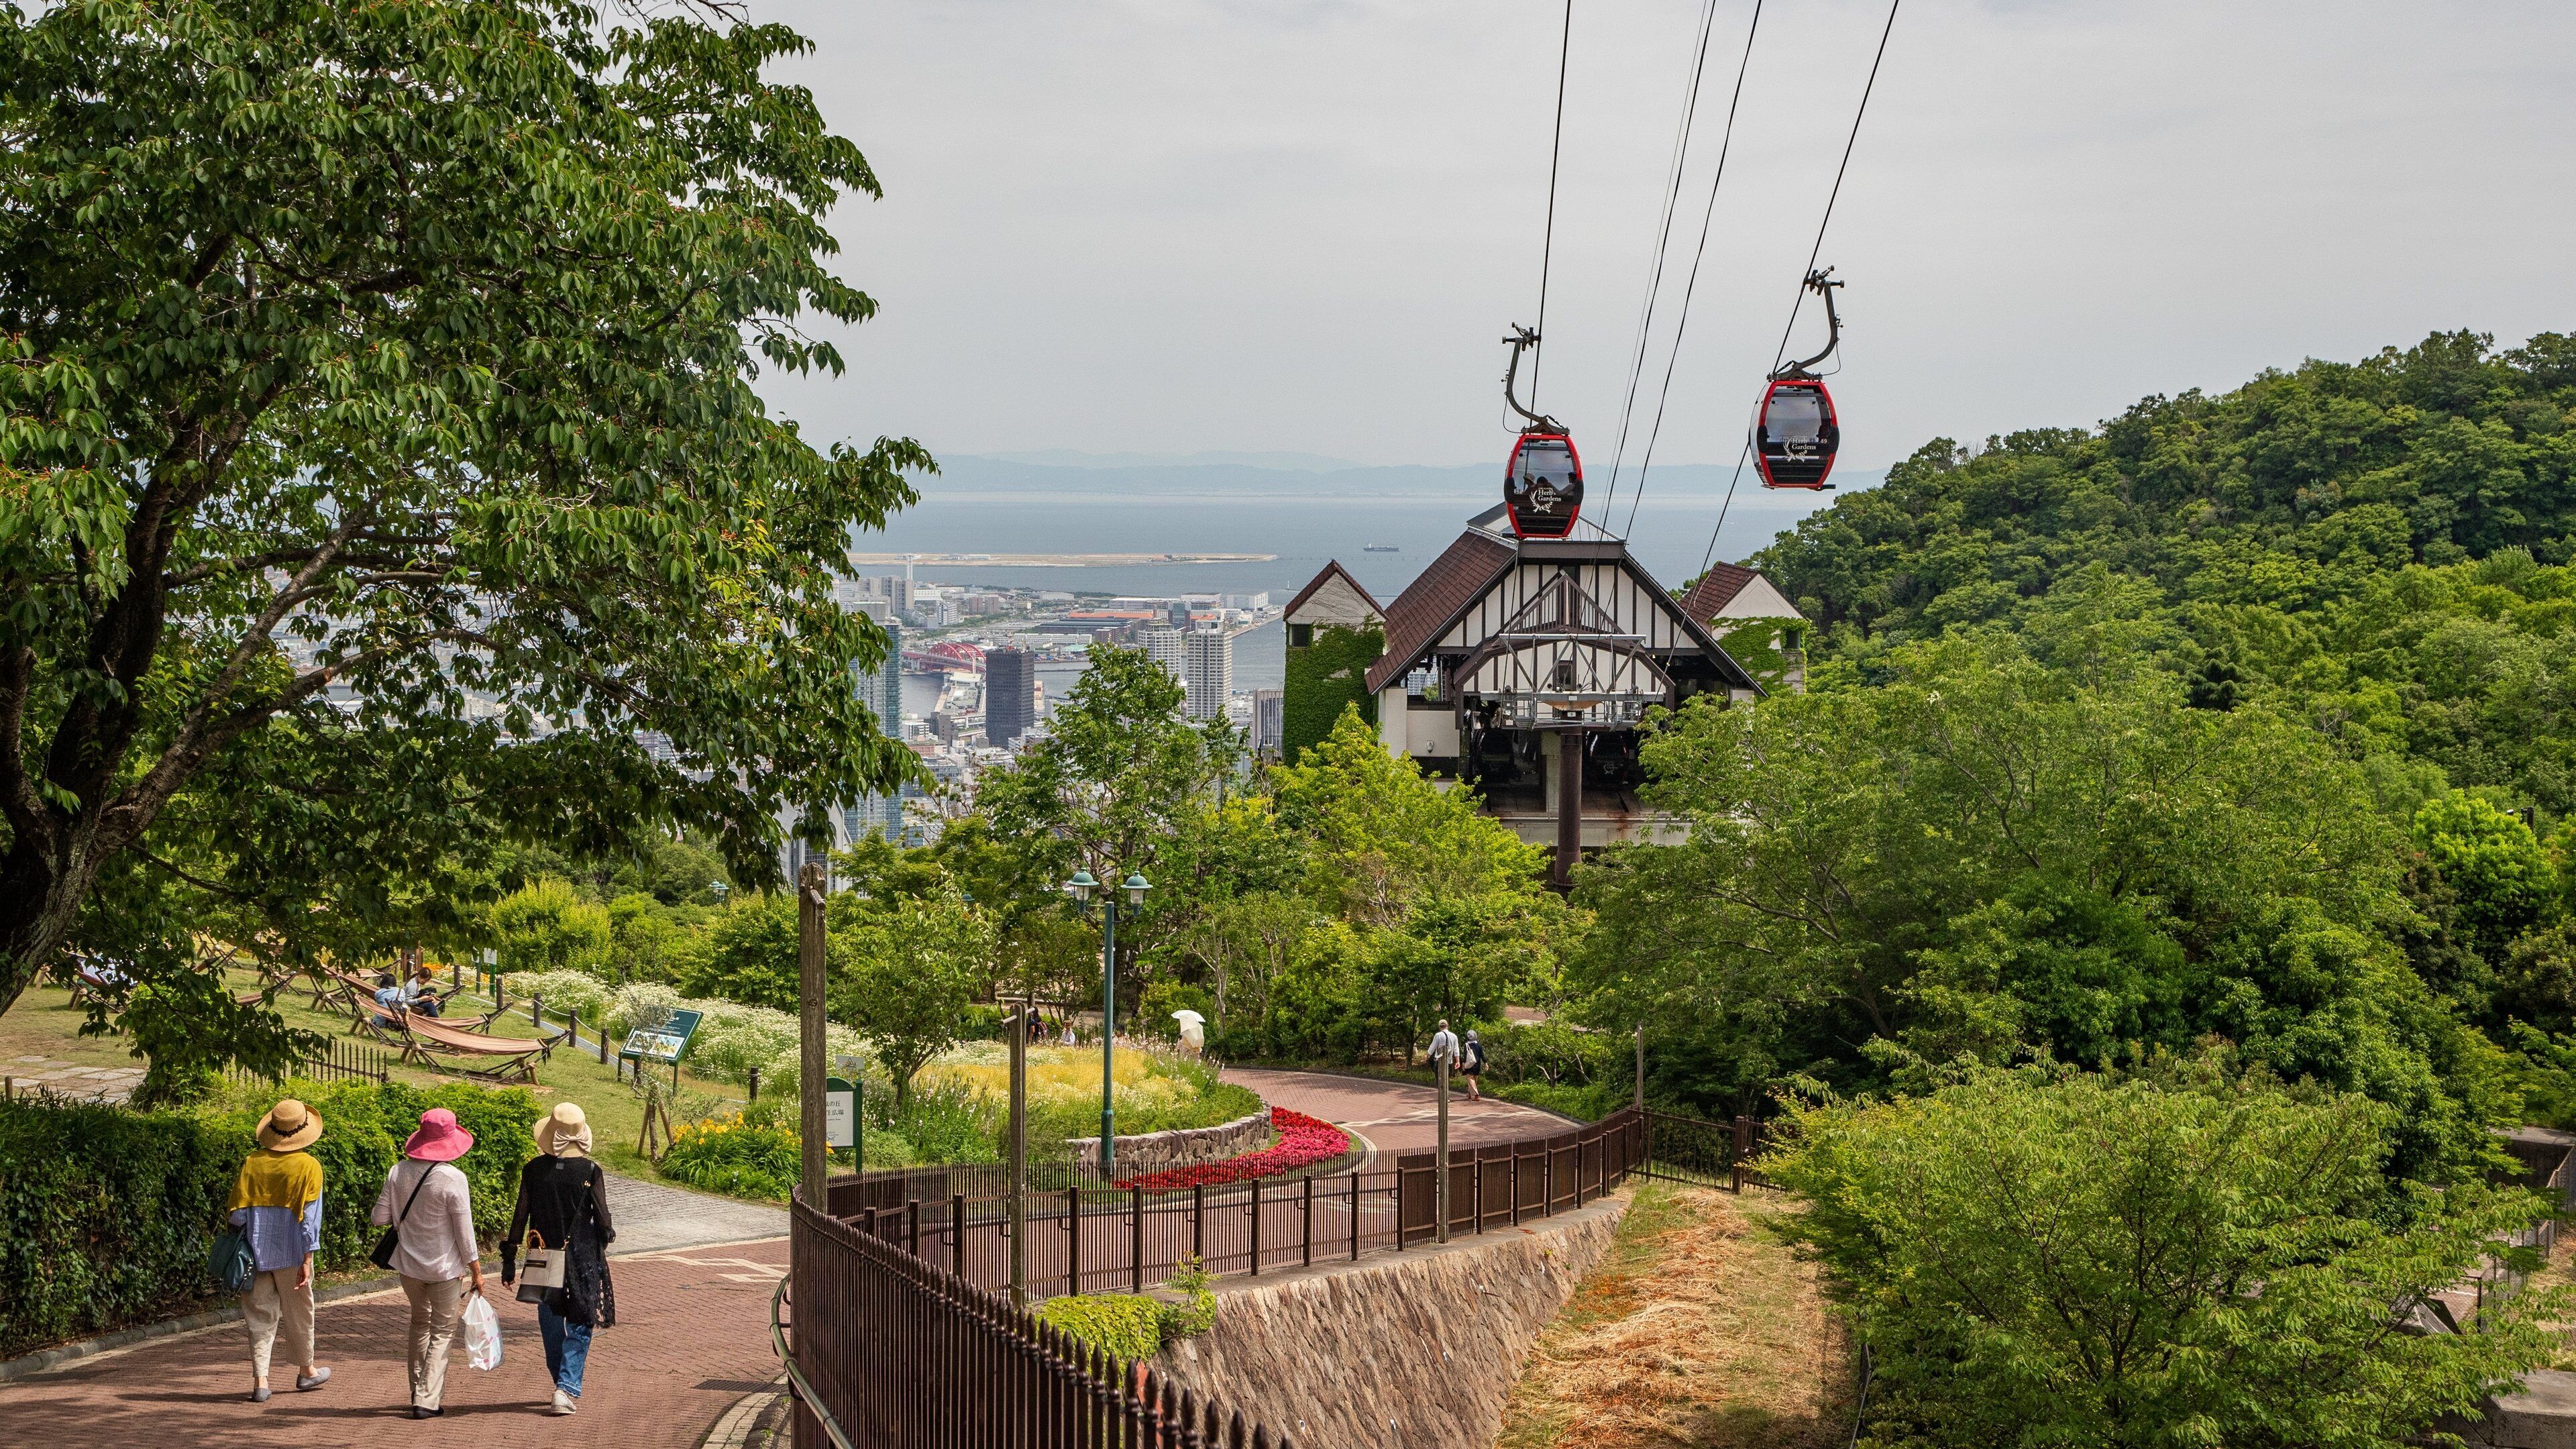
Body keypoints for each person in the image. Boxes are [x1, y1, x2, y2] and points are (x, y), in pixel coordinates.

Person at [501, 1102, 618, 1415]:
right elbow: (604, 1221)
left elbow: (520, 1217)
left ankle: (560, 1383)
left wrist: (510, 1259)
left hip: (542, 1254)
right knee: (581, 1319)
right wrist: (605, 1236)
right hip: (581, 1255)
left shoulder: (533, 1170)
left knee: (550, 1317)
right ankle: (565, 1387)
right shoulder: (591, 1171)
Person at [371, 1108, 486, 1419]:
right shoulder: (453, 1179)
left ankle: (417, 1390)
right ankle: (426, 1399)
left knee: (419, 1324)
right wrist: (476, 1271)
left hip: (408, 1267)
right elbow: (465, 1233)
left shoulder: (397, 1171)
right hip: (445, 1270)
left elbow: (378, 1218)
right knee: (443, 1331)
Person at [227, 1098, 332, 1403]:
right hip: (293, 1254)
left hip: (255, 1254)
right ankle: (306, 1371)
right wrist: (308, 1258)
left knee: (259, 1315)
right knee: (300, 1312)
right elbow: (310, 1219)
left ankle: (261, 1381)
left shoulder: (252, 1163)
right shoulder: (308, 1166)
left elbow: (237, 1215)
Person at [1427, 1019, 1460, 1083]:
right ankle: (1445, 1092)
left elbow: (1432, 1048)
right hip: (1449, 1061)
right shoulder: (1454, 1036)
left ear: (1440, 1027)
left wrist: (1427, 1057)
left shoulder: (1438, 1035)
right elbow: (1456, 1050)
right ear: (1447, 1026)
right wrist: (1458, 1061)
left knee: (1439, 1081)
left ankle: (1441, 1092)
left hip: (1439, 1061)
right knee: (1445, 1080)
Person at [1458, 1028, 1486, 1102]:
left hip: (1469, 1064)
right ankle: (1469, 1093)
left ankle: (1476, 1095)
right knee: (1474, 1079)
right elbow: (1482, 1055)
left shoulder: (1467, 1045)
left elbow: (1465, 1055)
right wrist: (1486, 1063)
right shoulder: (1479, 1045)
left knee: (1470, 1079)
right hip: (1477, 1064)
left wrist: (1463, 1065)